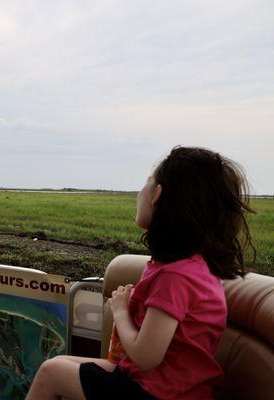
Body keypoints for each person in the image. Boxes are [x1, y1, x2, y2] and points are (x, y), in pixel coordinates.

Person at [26, 146, 254, 399]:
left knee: (52, 372)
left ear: (158, 195)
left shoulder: (175, 277)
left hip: (161, 393)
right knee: (64, 363)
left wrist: (121, 311)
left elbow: (146, 357)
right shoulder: (189, 267)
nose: (140, 191)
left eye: (147, 182)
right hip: (163, 384)